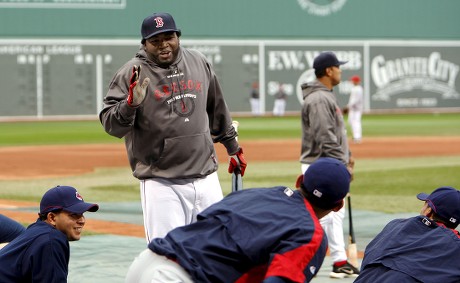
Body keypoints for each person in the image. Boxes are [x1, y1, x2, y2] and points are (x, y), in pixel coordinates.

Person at [99, 12, 247, 242]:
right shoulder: (132, 72)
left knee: (217, 251)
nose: (163, 45)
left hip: (206, 177)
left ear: (178, 36)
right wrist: (130, 105)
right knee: (166, 255)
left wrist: (233, 147)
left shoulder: (198, 61)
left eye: (169, 37)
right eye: (155, 40)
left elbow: (217, 107)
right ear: (145, 44)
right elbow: (111, 124)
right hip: (162, 182)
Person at [125, 157, 351, 283]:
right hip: (179, 277)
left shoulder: (260, 194)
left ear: (299, 180)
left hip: (145, 262)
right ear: (338, 205)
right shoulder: (309, 233)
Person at [299, 51, 358, 279]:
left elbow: (335, 133)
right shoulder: (319, 99)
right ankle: (300, 260)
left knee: (332, 217)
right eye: (338, 67)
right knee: (322, 218)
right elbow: (325, 137)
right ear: (329, 71)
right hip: (321, 166)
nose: (341, 70)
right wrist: (343, 165)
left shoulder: (325, 95)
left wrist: (347, 154)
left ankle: (339, 261)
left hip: (328, 164)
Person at [355, 186, 460, 282]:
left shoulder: (395, 225)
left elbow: (369, 257)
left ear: (428, 211)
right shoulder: (455, 244)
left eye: (425, 204)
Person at [0, 185, 99, 282]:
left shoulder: (37, 231)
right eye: (74, 215)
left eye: (82, 215)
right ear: (51, 218)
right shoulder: (51, 239)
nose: (82, 220)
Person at [343, 75, 364, 144]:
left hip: (356, 109)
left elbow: (355, 100)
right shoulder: (355, 88)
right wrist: (349, 106)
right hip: (353, 109)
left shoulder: (358, 89)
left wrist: (348, 106)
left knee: (356, 122)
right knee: (351, 121)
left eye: (353, 80)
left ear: (357, 81)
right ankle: (356, 136)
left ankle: (357, 137)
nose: (352, 81)